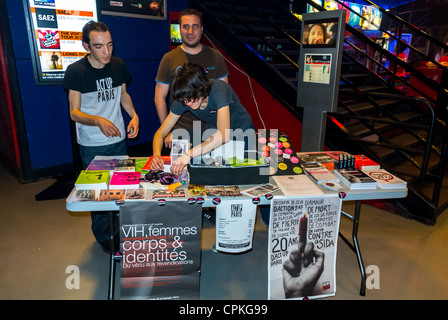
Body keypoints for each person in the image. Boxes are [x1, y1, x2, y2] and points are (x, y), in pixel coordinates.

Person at [62, 20, 139, 253]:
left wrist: (134, 115)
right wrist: (97, 120)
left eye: (110, 45)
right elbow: (74, 112)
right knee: (98, 193)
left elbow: (123, 94)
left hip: (118, 139)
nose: (107, 52)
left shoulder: (118, 65)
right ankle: (105, 236)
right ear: (86, 46)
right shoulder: (76, 71)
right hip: (92, 143)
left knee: (123, 188)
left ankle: (122, 230)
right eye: (99, 46)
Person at [151, 62, 254, 176]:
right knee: (216, 175)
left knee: (242, 175)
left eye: (190, 99)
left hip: (241, 133)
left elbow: (224, 135)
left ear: (201, 89)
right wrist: (156, 155)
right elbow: (160, 133)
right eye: (184, 100)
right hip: (215, 135)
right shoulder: (185, 98)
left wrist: (187, 155)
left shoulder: (219, 89)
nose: (187, 103)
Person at [154, 8, 229, 148]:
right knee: (180, 168)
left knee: (213, 169)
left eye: (195, 26)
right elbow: (159, 97)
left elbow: (224, 94)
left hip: (213, 130)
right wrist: (166, 131)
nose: (190, 32)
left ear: (201, 29)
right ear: (180, 29)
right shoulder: (169, 58)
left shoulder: (216, 56)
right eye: (186, 27)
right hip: (181, 131)